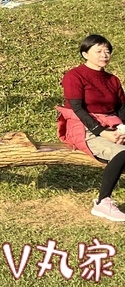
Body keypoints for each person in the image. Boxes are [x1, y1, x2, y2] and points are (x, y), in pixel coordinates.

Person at [57, 35, 125, 222]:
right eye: (98, 51)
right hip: (83, 127)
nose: (104, 55)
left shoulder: (112, 80)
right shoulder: (74, 76)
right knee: (122, 153)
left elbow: (121, 109)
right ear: (85, 54)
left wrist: (122, 130)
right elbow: (78, 109)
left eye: (107, 51)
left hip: (112, 126)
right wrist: (103, 133)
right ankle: (103, 202)